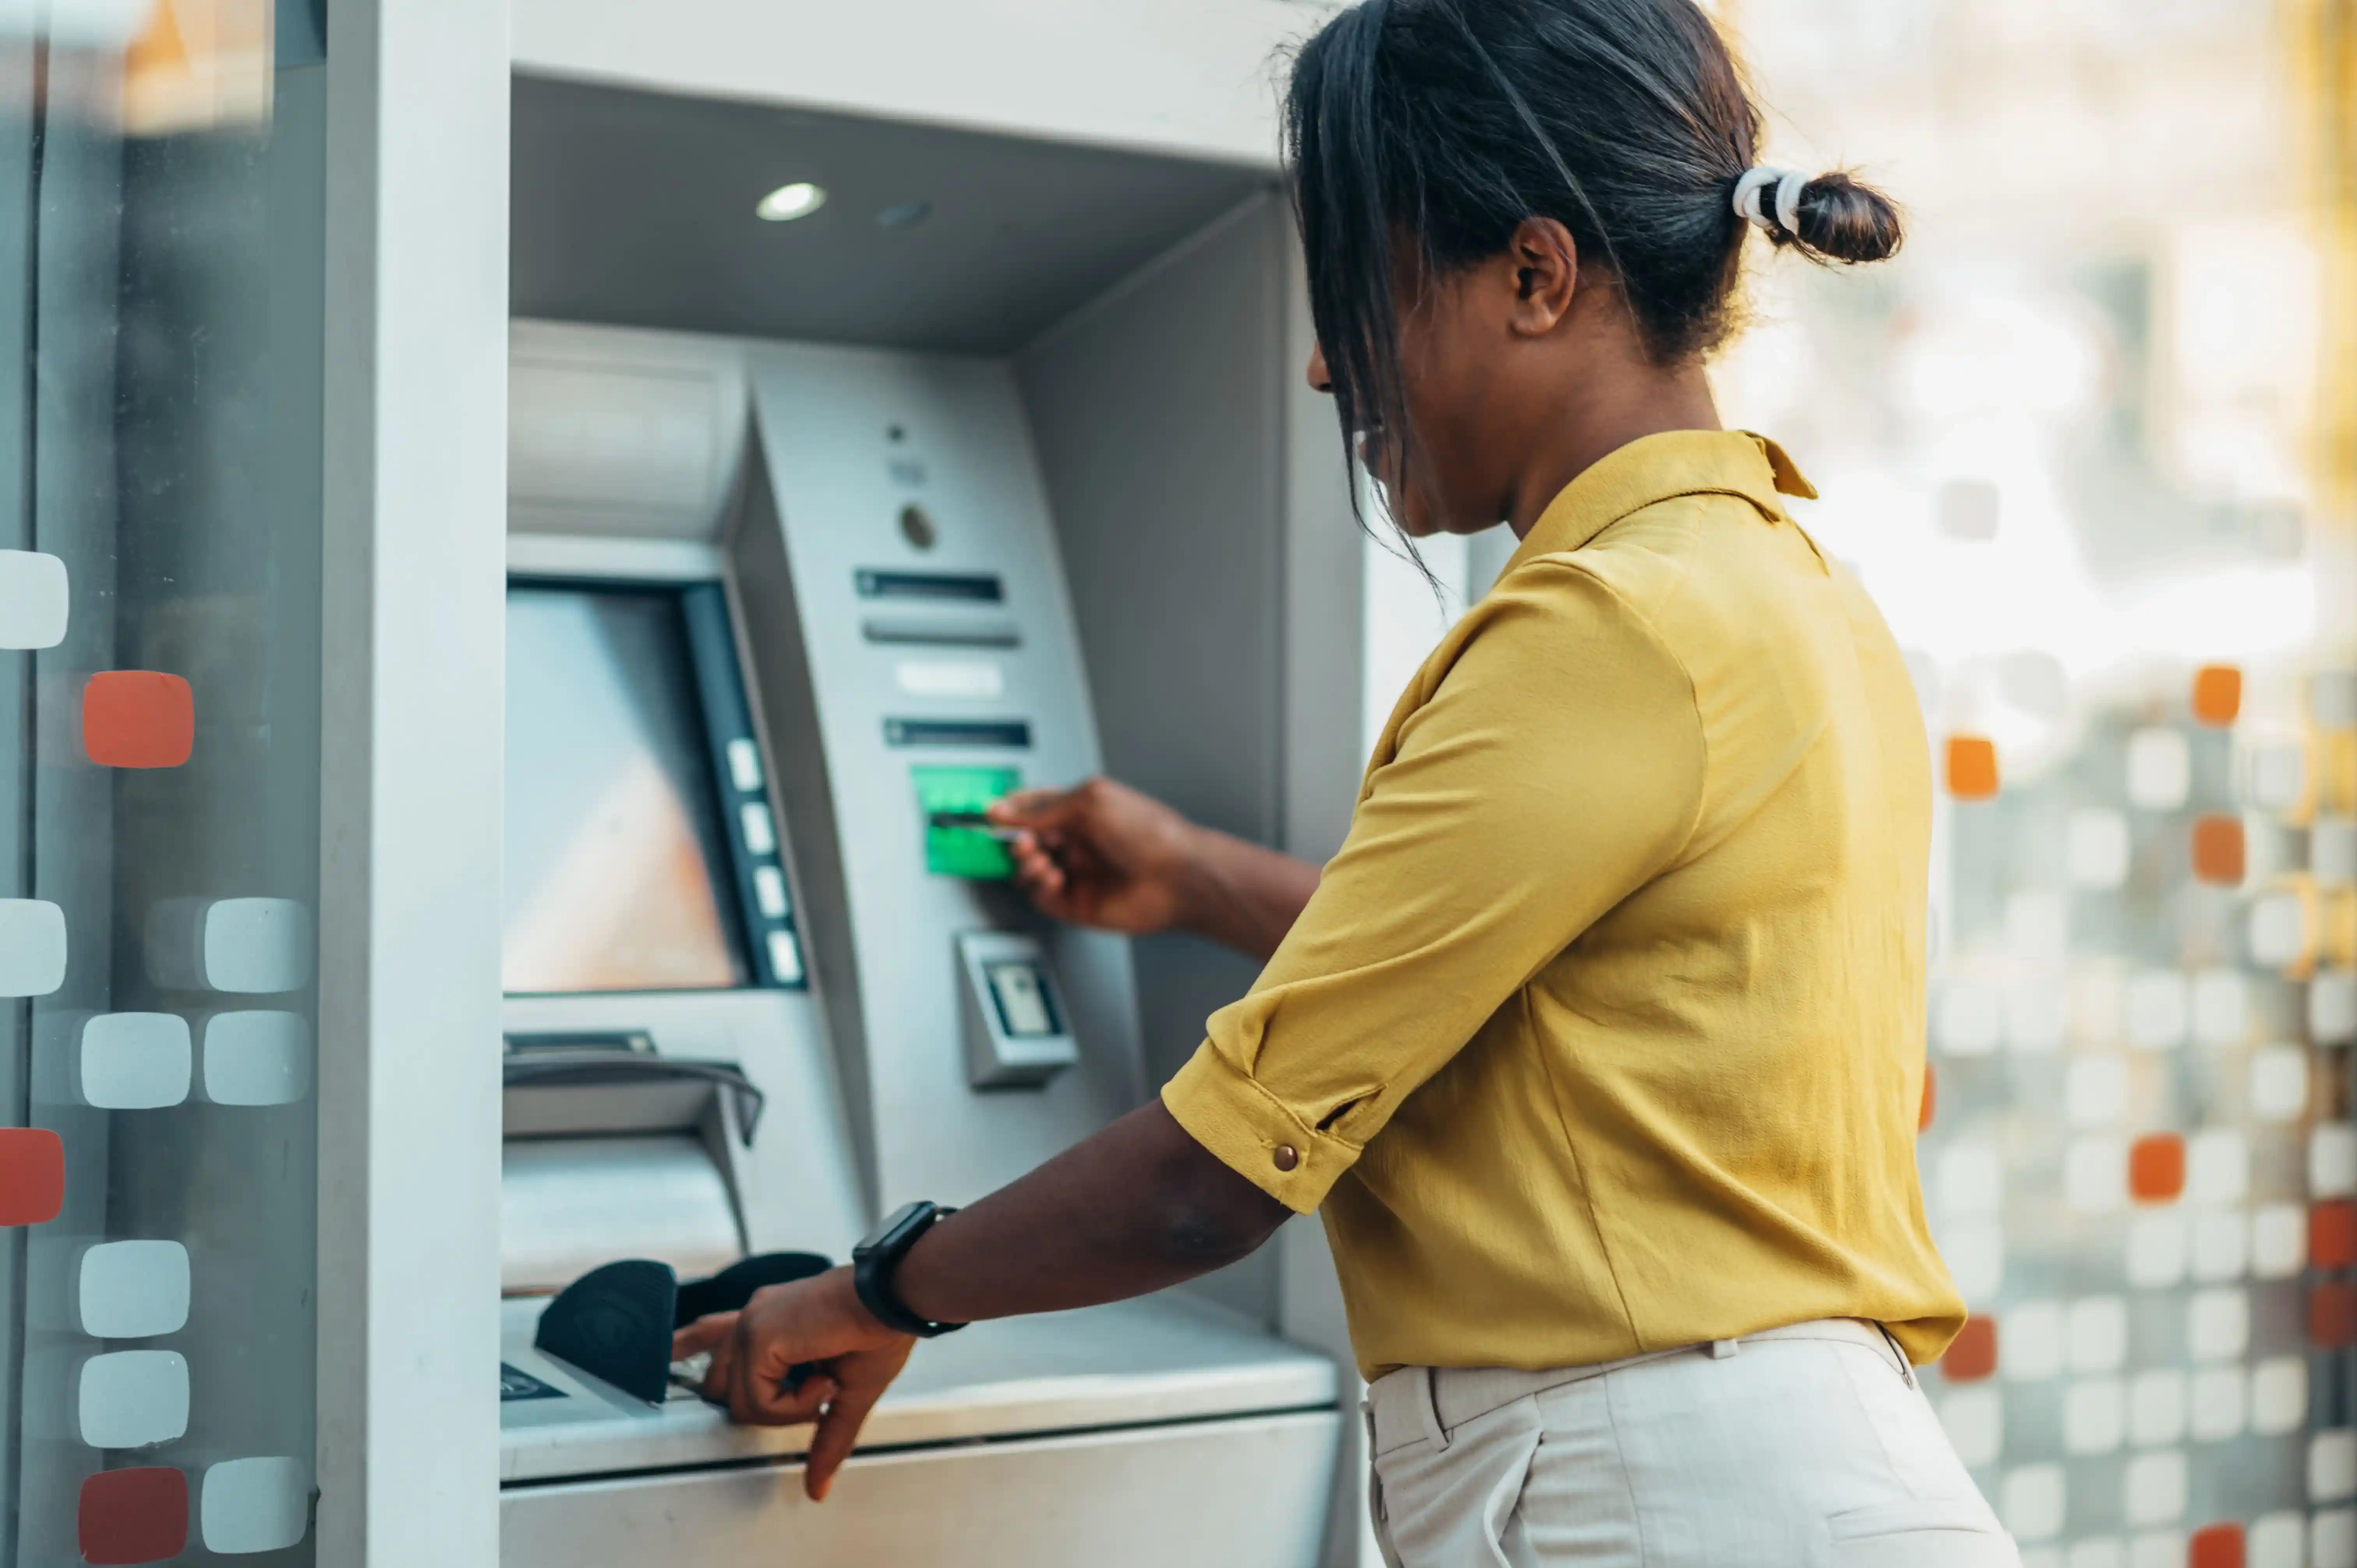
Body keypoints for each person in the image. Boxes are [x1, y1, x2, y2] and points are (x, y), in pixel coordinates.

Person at [673, 0, 2012, 1561]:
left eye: (1363, 293)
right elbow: (1546, 983)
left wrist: (872, 1290)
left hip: (1667, 1493)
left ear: (1535, 275)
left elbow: (1205, 1188)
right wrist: (1195, 879)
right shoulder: (1787, 589)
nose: (1324, 366)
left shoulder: (1606, 625)